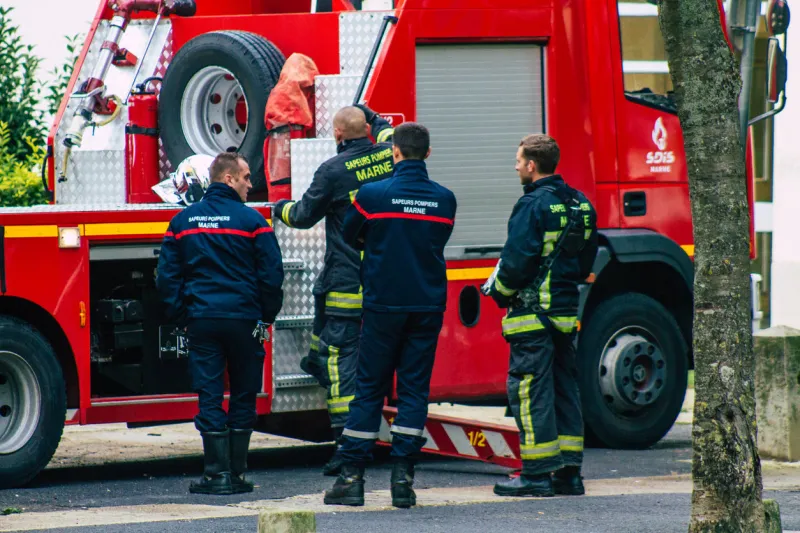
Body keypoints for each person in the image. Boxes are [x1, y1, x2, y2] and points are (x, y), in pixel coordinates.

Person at [323, 122, 457, 509]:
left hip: (383, 305)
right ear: (427, 154)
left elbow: (351, 236)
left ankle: (351, 480)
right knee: (414, 391)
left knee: (368, 389)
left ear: (394, 152)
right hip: (426, 306)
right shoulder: (445, 200)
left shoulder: (371, 195)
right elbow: (437, 240)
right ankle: (403, 480)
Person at [273, 105, 395, 475]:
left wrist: (279, 209)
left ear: (338, 135)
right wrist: (368, 113)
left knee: (341, 360)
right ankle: (314, 360)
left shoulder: (332, 170)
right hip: (380, 276)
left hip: (348, 277)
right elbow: (387, 128)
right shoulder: (391, 154)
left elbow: (303, 216)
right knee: (325, 329)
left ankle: (348, 443)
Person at [156, 152, 284, 495]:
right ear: (228, 179)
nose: (250, 184)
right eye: (245, 177)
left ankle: (216, 476)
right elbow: (272, 277)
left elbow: (167, 278)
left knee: (210, 395)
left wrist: (183, 315)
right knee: (244, 393)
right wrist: (265, 317)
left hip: (203, 321)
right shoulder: (255, 222)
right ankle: (238, 475)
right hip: (245, 321)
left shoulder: (182, 222)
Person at [487, 134, 598, 497]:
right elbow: (585, 262)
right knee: (565, 390)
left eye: (519, 160)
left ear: (532, 165)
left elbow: (517, 262)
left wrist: (499, 292)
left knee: (530, 392)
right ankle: (569, 474)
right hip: (566, 316)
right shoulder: (581, 204)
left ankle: (535, 475)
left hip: (531, 319)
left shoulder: (532, 205)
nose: (516, 166)